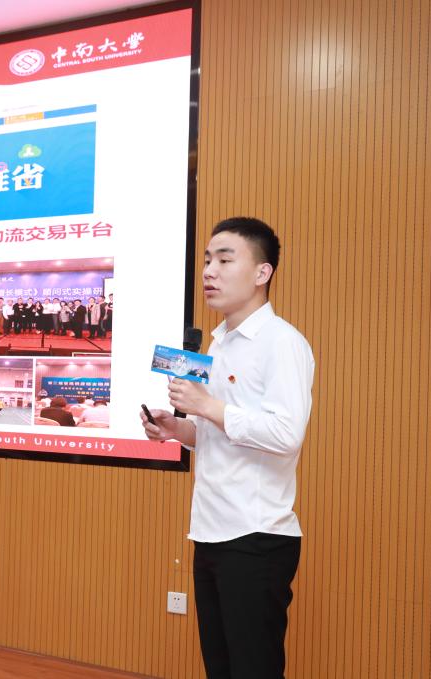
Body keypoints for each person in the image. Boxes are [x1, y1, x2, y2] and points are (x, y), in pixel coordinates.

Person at [139, 217, 314, 679]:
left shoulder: (282, 343)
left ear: (262, 272)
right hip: (210, 531)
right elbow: (218, 433)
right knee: (220, 667)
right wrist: (178, 429)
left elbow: (286, 434)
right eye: (206, 260)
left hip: (256, 536)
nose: (209, 272)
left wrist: (210, 407)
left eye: (224, 259)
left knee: (254, 669)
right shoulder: (215, 345)